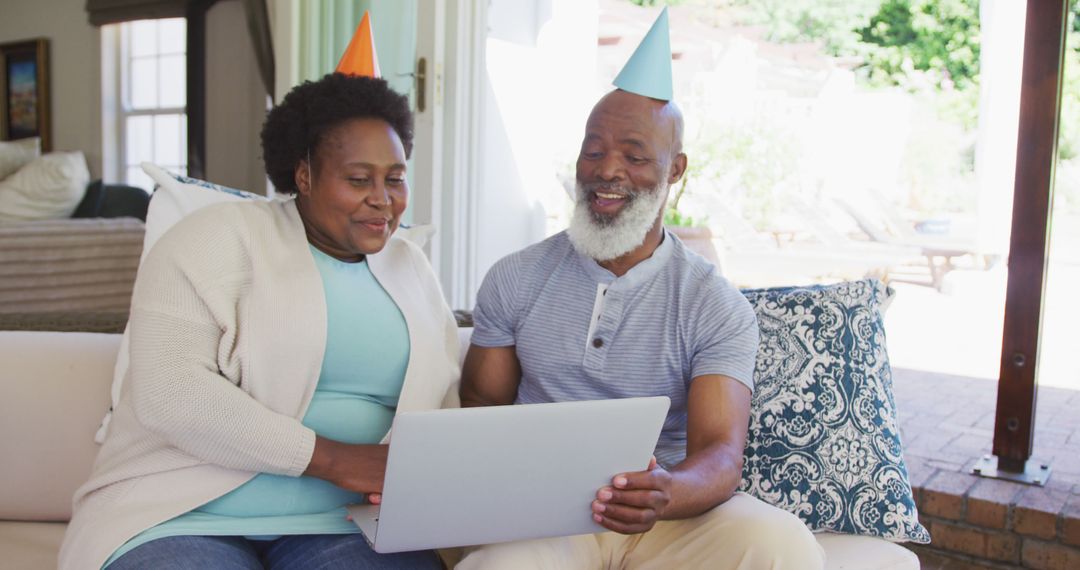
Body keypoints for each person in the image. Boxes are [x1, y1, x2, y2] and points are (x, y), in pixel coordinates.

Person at [456, 9, 824, 570]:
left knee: (782, 545)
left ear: (675, 169)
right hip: (546, 514)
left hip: (671, 517)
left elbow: (720, 454)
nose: (608, 171)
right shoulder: (516, 276)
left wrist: (665, 492)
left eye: (634, 155)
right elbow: (481, 408)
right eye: (594, 150)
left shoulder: (713, 303)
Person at [58, 71, 459, 570]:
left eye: (394, 178)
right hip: (182, 515)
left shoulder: (411, 269)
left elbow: (444, 399)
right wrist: (338, 461)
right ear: (304, 174)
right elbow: (171, 393)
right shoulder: (213, 239)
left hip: (350, 525)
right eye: (359, 179)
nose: (383, 198)